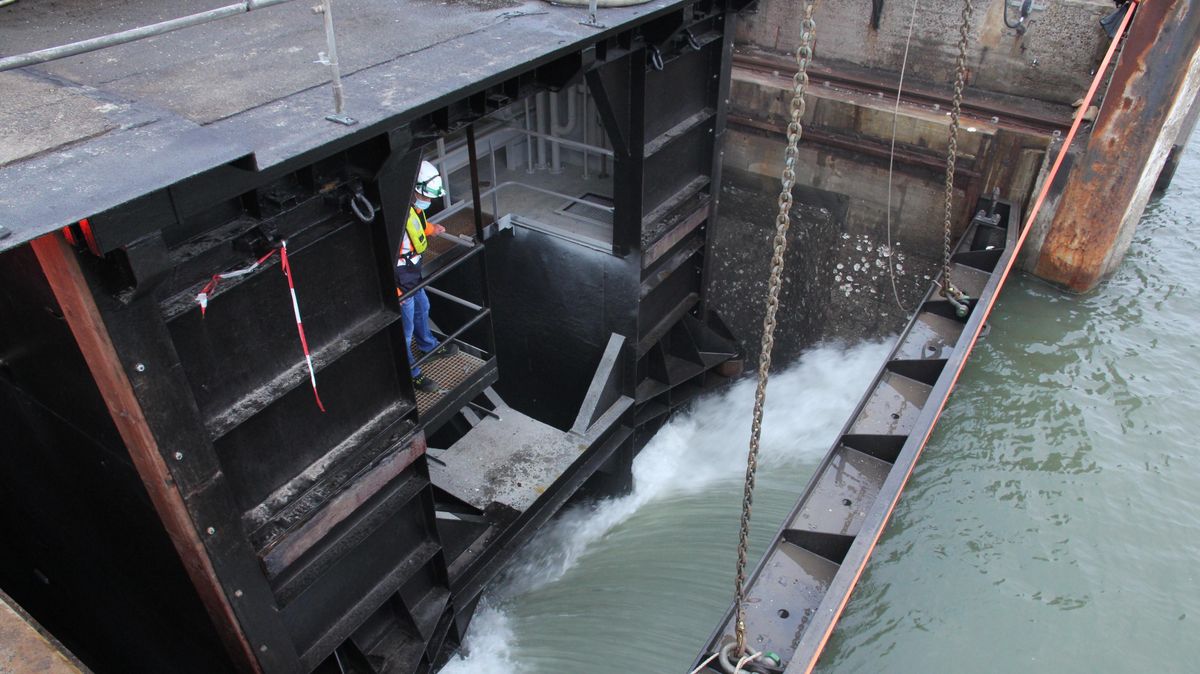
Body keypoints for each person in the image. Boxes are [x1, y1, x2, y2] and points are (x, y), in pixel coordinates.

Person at [396, 160, 459, 393]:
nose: (429, 201)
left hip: (412, 272)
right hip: (401, 280)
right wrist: (396, 290)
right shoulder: (395, 218)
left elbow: (416, 227)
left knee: (423, 306)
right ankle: (413, 374)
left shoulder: (411, 209)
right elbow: (387, 255)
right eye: (425, 196)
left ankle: (428, 347)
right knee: (405, 330)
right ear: (412, 189)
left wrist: (432, 230)